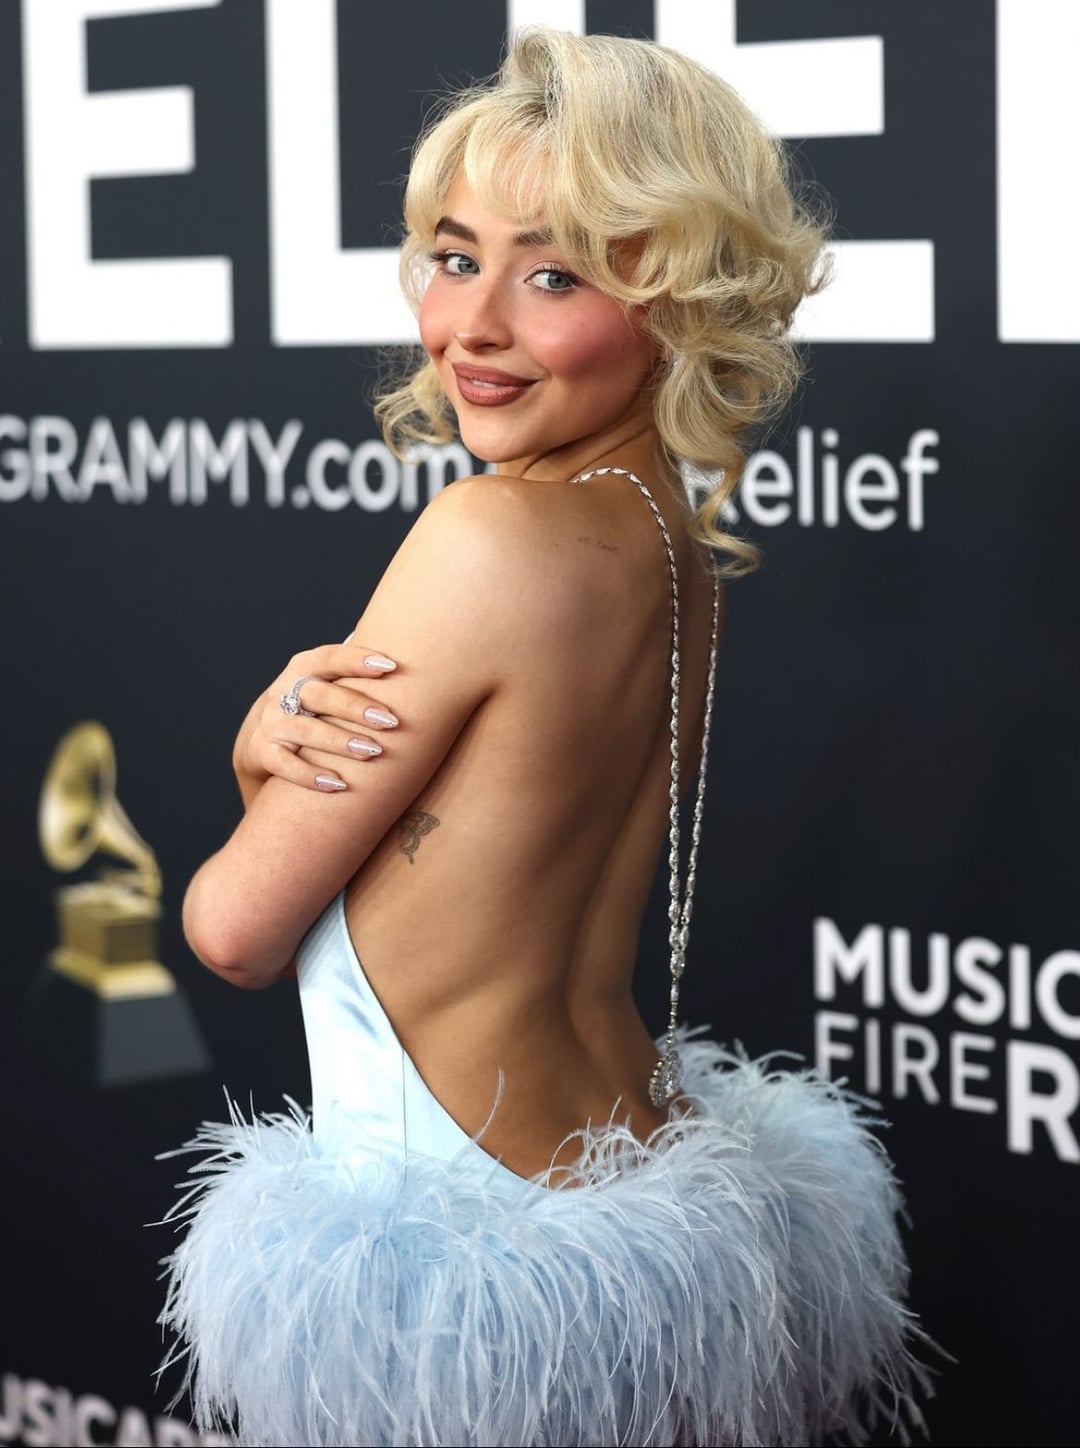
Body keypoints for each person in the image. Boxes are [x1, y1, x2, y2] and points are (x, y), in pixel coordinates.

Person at [159, 27, 927, 1448]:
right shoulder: (668, 538)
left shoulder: (485, 535)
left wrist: (259, 751)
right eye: (456, 257)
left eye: (556, 275)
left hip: (471, 1274)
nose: (473, 325)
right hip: (635, 1186)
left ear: (677, 302)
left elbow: (235, 928)